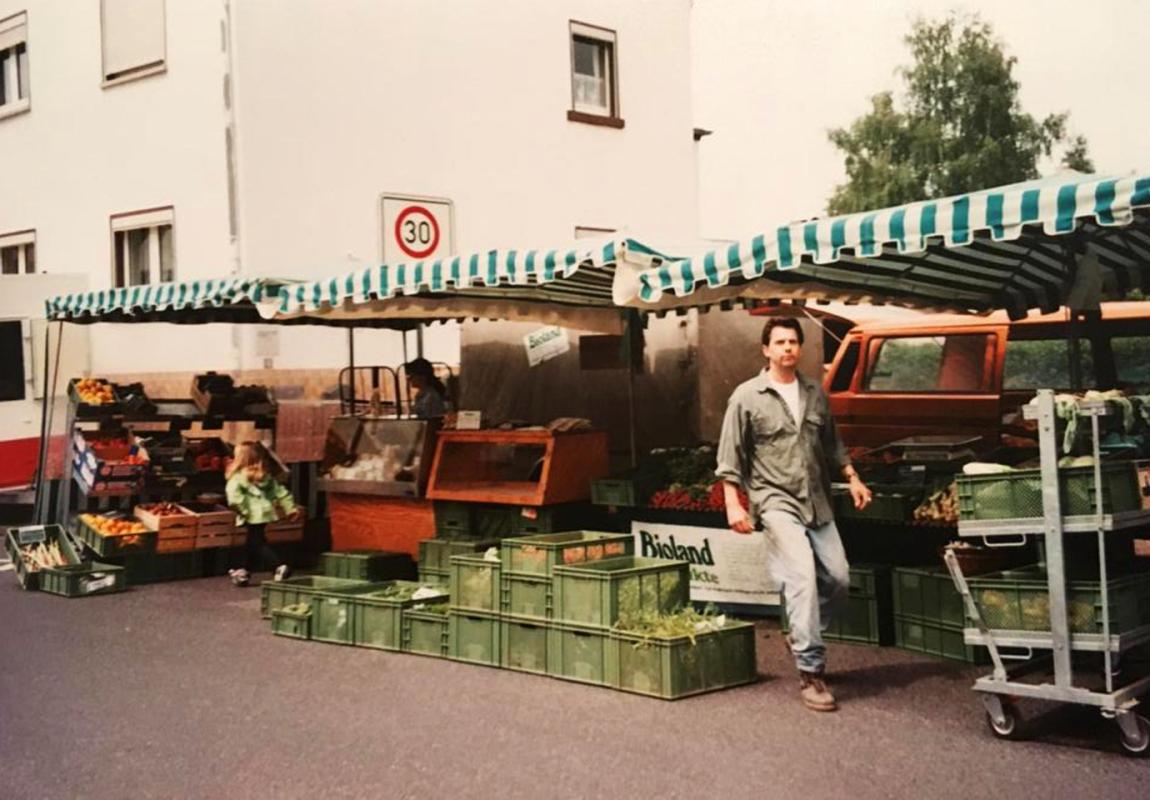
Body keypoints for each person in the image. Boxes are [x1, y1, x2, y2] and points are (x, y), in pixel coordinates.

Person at [716, 317, 871, 712]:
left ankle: (803, 633)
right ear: (766, 350)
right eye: (780, 342)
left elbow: (833, 445)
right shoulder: (747, 397)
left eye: (793, 342)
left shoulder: (815, 393)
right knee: (801, 575)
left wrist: (853, 478)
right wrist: (734, 503)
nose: (787, 348)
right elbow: (729, 457)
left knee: (838, 578)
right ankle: (811, 671)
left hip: (817, 500)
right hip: (775, 499)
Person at [225, 441, 300, 587]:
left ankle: (278, 566)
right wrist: (290, 508)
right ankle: (244, 571)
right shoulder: (265, 477)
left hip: (251, 514)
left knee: (258, 543)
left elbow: (234, 498)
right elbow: (281, 493)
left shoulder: (238, 477)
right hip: (265, 513)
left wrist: (242, 511)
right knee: (252, 541)